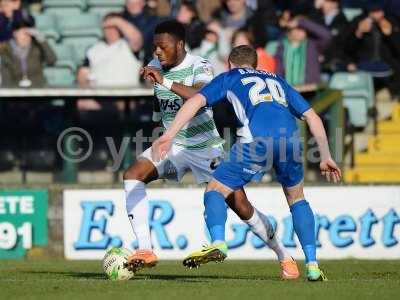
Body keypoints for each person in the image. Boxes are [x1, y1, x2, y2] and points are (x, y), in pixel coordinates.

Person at [123, 20, 300, 280]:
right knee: (133, 174)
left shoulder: (200, 66)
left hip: (205, 147)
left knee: (240, 204)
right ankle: (145, 249)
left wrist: (164, 81)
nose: (158, 52)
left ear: (180, 44)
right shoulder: (157, 67)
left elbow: (200, 95)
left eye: (163, 47)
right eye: (155, 47)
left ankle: (284, 255)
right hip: (174, 146)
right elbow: (162, 101)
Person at [152, 45, 342, 281]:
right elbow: (311, 116)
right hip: (291, 142)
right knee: (297, 199)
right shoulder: (277, 80)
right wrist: (325, 155)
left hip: (256, 142)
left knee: (215, 190)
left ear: (231, 63)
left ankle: (219, 243)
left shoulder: (229, 77)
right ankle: (313, 266)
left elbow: (195, 102)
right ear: (255, 64)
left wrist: (169, 135)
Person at [344, 2, 400, 96]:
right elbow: (347, 48)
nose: (377, 15)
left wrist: (391, 34)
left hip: (388, 66)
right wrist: (358, 33)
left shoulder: (392, 21)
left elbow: (397, 50)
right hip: (363, 64)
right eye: (374, 11)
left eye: (379, 11)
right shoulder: (358, 21)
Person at [77, 12, 143, 89]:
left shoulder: (128, 45)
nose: (109, 30)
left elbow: (136, 39)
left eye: (113, 26)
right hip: (98, 95)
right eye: (107, 27)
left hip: (125, 95)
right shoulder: (94, 49)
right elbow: (83, 74)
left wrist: (116, 21)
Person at [276, 14, 331, 86]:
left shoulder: (313, 44)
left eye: (302, 29)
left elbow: (326, 35)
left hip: (309, 89)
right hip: (289, 90)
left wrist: (302, 22)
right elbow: (279, 70)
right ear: (290, 30)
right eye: (297, 28)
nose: (299, 31)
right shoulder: (282, 46)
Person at [0, 17, 56, 87]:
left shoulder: (37, 47)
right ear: (15, 34)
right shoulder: (6, 50)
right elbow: (6, 78)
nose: (26, 37)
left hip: (37, 89)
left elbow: (52, 60)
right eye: (23, 33)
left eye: (29, 34)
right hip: (15, 92)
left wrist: (41, 39)